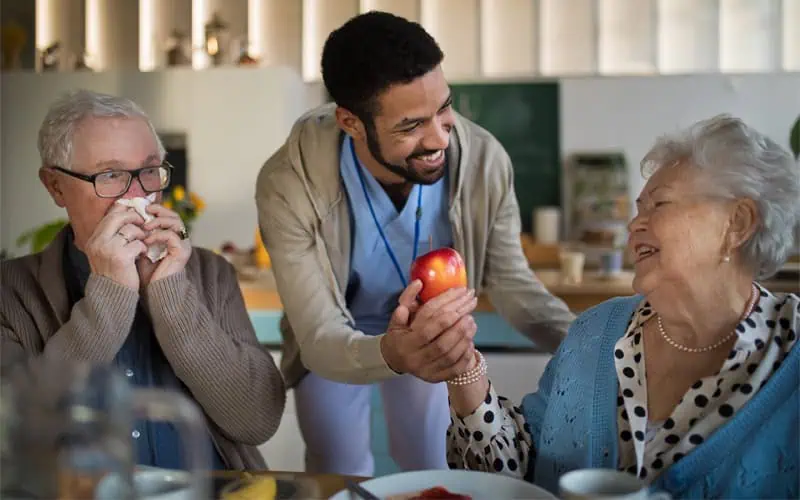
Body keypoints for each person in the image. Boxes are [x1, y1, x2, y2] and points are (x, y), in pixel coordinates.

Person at [255, 11, 573, 476]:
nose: (439, 138)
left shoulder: (483, 160)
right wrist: (392, 351)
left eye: (444, 109)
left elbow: (514, 288)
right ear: (351, 122)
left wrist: (597, 346)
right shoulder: (288, 182)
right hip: (337, 338)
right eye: (410, 126)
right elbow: (320, 335)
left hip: (431, 331)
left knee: (431, 466)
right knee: (338, 472)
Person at [444, 115, 799, 499]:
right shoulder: (596, 332)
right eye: (638, 208)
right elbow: (519, 472)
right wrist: (464, 369)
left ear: (738, 223)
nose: (634, 225)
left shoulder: (790, 354)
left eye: (658, 204)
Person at [1, 89, 286, 471]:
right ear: (56, 187)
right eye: (111, 175)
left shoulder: (211, 272)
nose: (138, 196)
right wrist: (111, 294)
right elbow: (18, 435)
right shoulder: (8, 291)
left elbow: (258, 419)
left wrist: (171, 294)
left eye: (150, 171)